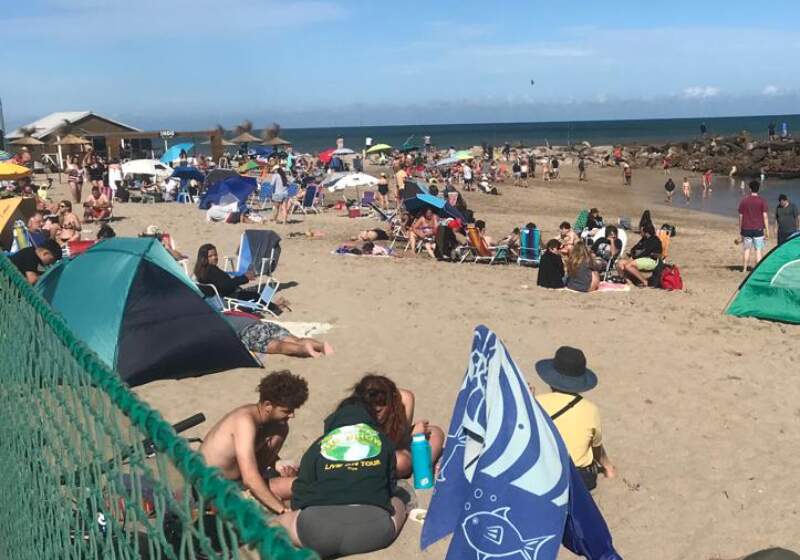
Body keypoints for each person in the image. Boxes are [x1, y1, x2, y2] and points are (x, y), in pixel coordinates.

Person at [277, 396, 406, 559]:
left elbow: (302, 490)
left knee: (279, 522)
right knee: (399, 500)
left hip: (317, 529)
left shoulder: (319, 445)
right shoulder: (383, 442)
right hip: (372, 530)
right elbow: (389, 486)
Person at [200, 370, 309, 514]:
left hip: (238, 483)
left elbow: (251, 460)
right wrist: (283, 511)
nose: (292, 415)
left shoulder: (278, 427)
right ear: (268, 405)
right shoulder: (244, 421)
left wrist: (277, 463)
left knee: (300, 486)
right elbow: (250, 479)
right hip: (211, 489)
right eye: (286, 411)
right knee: (282, 499)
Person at [535, 346, 616, 490]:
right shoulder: (590, 410)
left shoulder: (536, 403)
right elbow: (596, 447)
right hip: (579, 478)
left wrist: (525, 399)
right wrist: (608, 468)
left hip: (544, 472)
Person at [350, 374, 444, 479]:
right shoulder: (357, 411)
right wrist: (413, 435)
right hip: (374, 454)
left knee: (435, 432)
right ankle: (419, 464)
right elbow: (372, 448)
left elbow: (402, 436)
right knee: (400, 461)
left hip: (395, 444)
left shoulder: (405, 399)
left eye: (379, 411)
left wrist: (415, 433)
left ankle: (424, 467)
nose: (376, 414)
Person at [224, 312, 333, 359]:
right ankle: (320, 346)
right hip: (263, 324)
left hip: (250, 333)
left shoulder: (221, 322)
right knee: (296, 339)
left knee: (279, 346)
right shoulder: (231, 314)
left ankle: (303, 349)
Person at [738, 180, 770, 271]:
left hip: (746, 228)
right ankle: (757, 270)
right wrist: (767, 230)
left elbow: (740, 216)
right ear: (758, 189)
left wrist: (740, 229)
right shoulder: (762, 201)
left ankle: (744, 269)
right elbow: (765, 216)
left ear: (750, 188)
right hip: (758, 229)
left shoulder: (744, 200)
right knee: (758, 250)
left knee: (747, 249)